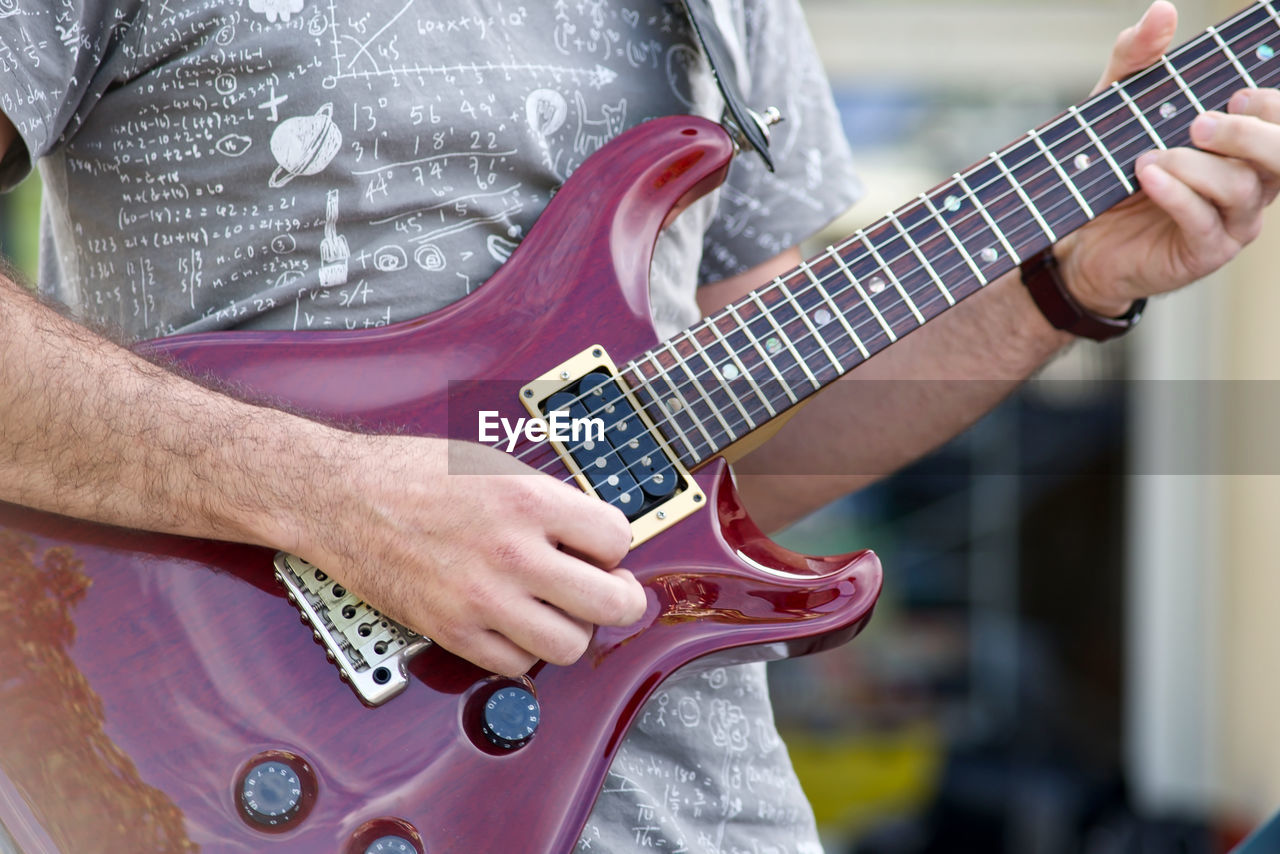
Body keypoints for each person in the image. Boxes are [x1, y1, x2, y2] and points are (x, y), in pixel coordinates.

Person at [0, 0, 1276, 850]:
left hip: (693, 810)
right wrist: (335, 497)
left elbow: (697, 462)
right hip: (217, 766)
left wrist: (1063, 275)